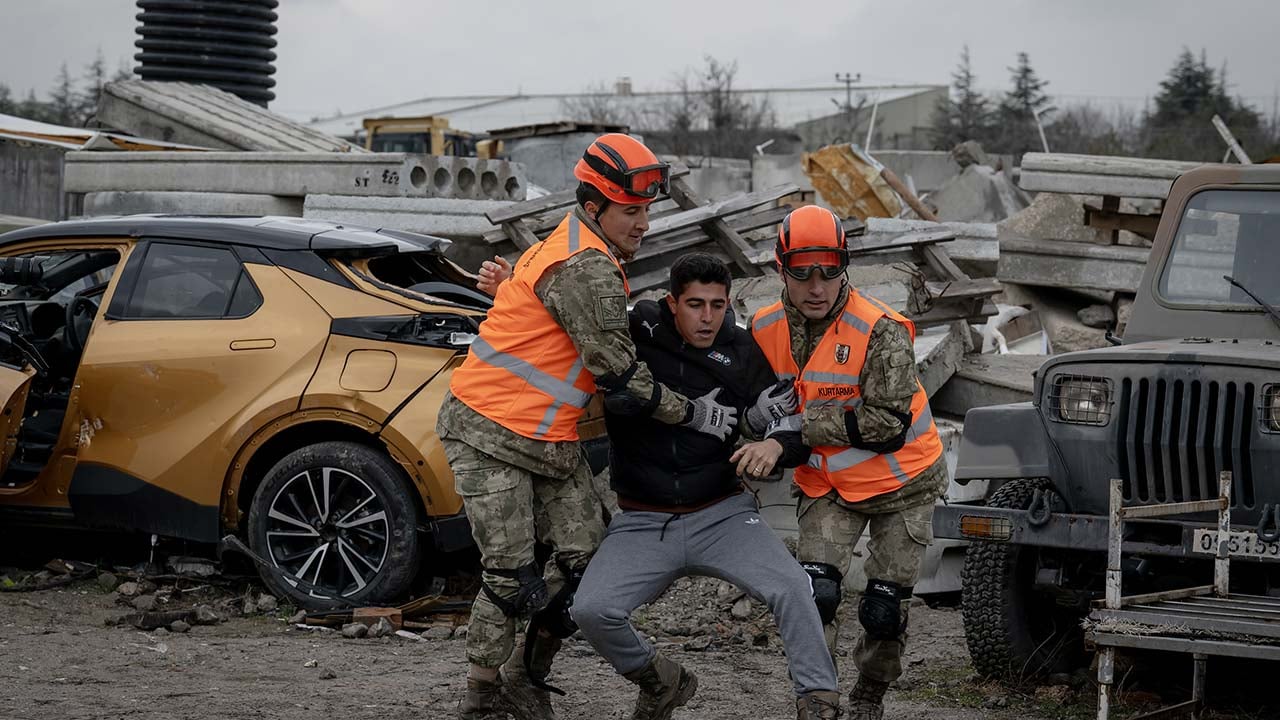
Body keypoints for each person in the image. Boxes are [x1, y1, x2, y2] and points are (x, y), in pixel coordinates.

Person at [438, 134, 739, 720]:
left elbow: (544, 322)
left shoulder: (576, 244)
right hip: (488, 432)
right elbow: (620, 376)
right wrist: (696, 412)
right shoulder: (586, 264)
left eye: (648, 210)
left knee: (587, 564)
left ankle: (534, 676)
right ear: (595, 205)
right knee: (510, 576)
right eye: (632, 211)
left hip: (548, 439)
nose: (644, 223)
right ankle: (482, 698)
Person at [566, 253, 844, 720]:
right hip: (643, 519)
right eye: (696, 304)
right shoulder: (639, 332)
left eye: (717, 305)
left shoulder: (740, 350)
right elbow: (591, 346)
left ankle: (819, 701)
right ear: (672, 302)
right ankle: (661, 681)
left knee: (796, 587)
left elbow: (790, 428)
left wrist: (772, 441)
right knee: (591, 611)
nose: (708, 317)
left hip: (722, 512)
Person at [749, 205, 949, 720]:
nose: (817, 286)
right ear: (781, 269)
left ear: (845, 266)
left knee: (883, 608)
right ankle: (817, 700)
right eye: (802, 274)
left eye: (829, 272)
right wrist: (755, 419)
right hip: (829, 484)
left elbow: (887, 426)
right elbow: (752, 404)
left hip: (904, 482)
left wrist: (801, 427)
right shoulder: (763, 328)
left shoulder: (883, 331)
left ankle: (868, 696)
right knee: (815, 595)